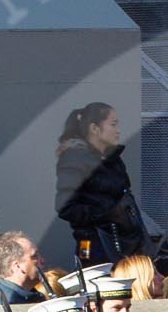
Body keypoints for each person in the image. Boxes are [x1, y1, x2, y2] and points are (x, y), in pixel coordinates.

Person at [54, 103, 145, 263]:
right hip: (89, 243)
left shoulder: (114, 159)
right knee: (95, 281)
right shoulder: (75, 159)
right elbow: (65, 207)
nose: (118, 130)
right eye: (113, 124)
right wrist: (107, 214)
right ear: (94, 128)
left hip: (123, 243)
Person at [0, 232, 45, 307]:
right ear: (17, 266)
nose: (42, 261)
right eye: (35, 256)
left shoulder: (29, 296)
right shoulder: (9, 303)